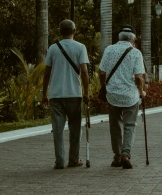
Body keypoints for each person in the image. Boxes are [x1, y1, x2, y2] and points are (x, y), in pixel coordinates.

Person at [41, 19, 90, 169]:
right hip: (74, 94)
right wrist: (87, 93)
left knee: (58, 130)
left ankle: (60, 161)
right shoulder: (80, 47)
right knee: (75, 129)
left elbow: (47, 73)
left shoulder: (53, 48)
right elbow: (84, 71)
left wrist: (44, 94)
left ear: (60, 32)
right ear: (74, 31)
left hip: (56, 95)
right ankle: (74, 159)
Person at [99, 25, 147, 169]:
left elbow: (101, 72)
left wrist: (104, 86)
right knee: (129, 126)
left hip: (112, 94)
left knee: (114, 126)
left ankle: (117, 156)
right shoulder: (136, 53)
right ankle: (125, 154)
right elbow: (139, 78)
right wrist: (142, 92)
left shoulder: (109, 50)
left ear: (118, 38)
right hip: (130, 96)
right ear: (134, 39)